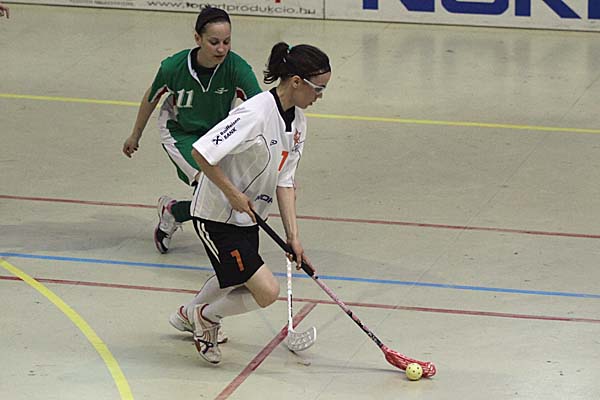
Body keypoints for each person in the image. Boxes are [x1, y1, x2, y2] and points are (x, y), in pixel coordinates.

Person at [171, 41, 331, 364]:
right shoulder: (254, 113)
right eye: (318, 88)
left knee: (232, 276)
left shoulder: (299, 123)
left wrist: (294, 237)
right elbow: (202, 152)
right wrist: (231, 192)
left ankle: (188, 314)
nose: (319, 96)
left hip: (250, 216)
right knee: (267, 291)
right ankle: (206, 318)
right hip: (217, 214)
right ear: (296, 82)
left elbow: (285, 181)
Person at [122, 6, 262, 255]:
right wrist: (135, 135)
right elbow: (152, 97)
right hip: (180, 133)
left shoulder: (236, 68)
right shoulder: (173, 67)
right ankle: (183, 218)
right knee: (210, 186)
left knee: (223, 191)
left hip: (217, 136)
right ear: (197, 39)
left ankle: (173, 211)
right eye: (214, 42)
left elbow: (261, 107)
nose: (222, 49)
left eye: (227, 42)